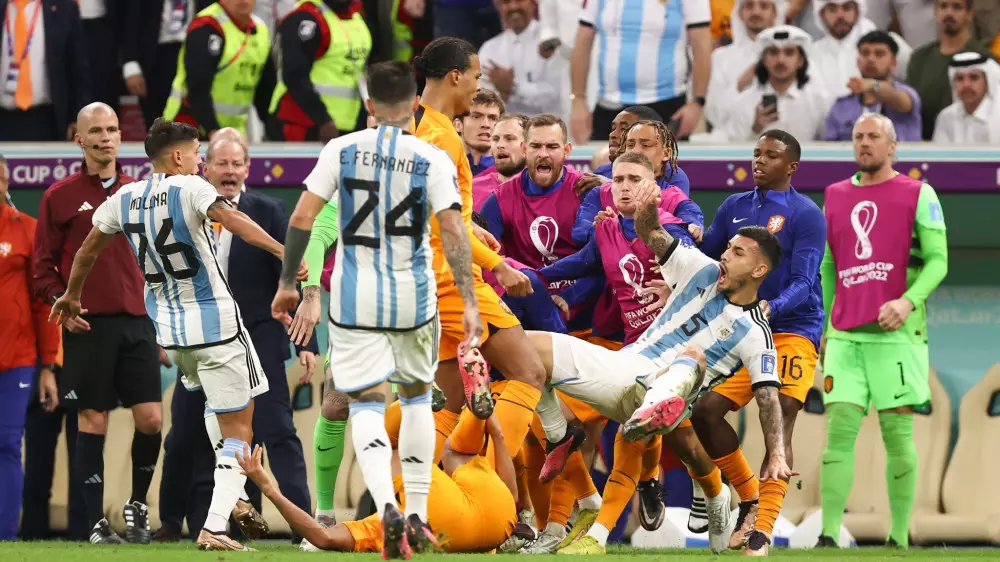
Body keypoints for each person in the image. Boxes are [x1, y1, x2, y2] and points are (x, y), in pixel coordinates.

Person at [526, 156, 794, 555]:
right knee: (525, 347)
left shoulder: (757, 332)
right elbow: (652, 234)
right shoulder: (700, 269)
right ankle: (559, 434)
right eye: (728, 248)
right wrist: (647, 208)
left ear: (758, 270)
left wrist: (777, 453)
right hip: (625, 366)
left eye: (738, 253)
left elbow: (769, 398)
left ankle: (603, 531)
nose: (725, 255)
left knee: (690, 361)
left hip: (671, 391)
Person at [271, 60, 483, 558]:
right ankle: (418, 516)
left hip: (354, 299)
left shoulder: (340, 150)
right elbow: (454, 232)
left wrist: (287, 283)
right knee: (415, 399)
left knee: (364, 403)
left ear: (368, 104)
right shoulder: (432, 157)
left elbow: (302, 218)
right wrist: (470, 300)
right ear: (415, 104)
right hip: (414, 297)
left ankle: (386, 505)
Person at [50, 118, 290, 551]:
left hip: (173, 336)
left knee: (216, 408)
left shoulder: (125, 196)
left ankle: (234, 496)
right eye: (197, 154)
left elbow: (86, 251)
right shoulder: (192, 187)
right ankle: (216, 526)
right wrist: (283, 251)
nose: (200, 162)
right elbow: (233, 219)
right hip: (216, 327)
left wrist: (71, 295)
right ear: (178, 156)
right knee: (240, 427)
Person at [409, 37, 549, 472]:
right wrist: (499, 266)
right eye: (475, 76)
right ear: (455, 76)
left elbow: (438, 215)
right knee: (529, 374)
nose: (476, 85)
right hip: (452, 281)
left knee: (448, 403)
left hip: (426, 280)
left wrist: (471, 228)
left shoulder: (417, 127)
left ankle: (422, 495)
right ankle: (485, 477)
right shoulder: (442, 140)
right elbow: (445, 225)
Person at [32, 103, 164, 545]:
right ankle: (94, 524)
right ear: (80, 139)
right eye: (97, 131)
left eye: (112, 129)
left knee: (151, 419)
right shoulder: (59, 196)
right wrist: (62, 303)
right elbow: (42, 269)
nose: (106, 137)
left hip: (140, 323)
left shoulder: (143, 192)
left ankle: (138, 506)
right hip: (88, 326)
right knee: (93, 421)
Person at [817, 113, 948, 549]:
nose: (865, 143)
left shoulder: (919, 193)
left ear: (892, 146)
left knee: (897, 435)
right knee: (838, 433)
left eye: (874, 136)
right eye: (858, 136)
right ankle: (828, 536)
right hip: (845, 336)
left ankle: (899, 537)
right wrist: (826, 324)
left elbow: (939, 261)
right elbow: (829, 265)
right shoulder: (834, 195)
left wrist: (907, 302)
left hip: (898, 337)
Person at [693, 129, 826, 555]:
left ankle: (762, 532)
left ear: (792, 167)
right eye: (756, 153)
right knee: (704, 412)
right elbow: (708, 260)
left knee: (780, 420)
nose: (760, 160)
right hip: (742, 327)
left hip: (793, 329)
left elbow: (806, 280)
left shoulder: (807, 214)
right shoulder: (734, 206)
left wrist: (772, 307)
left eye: (771, 155)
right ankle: (749, 498)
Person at [236, 407, 518, 553]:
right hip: (498, 513)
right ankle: (470, 413)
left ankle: (469, 414)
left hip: (489, 522)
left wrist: (268, 489)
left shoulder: (378, 529)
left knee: (424, 451)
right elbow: (511, 497)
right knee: (448, 451)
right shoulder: (439, 489)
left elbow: (323, 536)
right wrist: (498, 435)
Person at [0, 155, 60, 541]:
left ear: (6, 182)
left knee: (7, 443)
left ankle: (5, 536)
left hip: (16, 359)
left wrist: (48, 365)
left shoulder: (27, 229)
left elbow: (43, 304)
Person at [568, 0, 713, 142]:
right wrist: (578, 101)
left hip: (667, 107)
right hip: (609, 106)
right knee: (605, 158)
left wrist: (697, 103)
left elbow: (702, 45)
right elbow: (582, 43)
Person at [576, 120, 702, 247]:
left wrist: (618, 227)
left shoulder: (675, 197)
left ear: (666, 153)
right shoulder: (600, 193)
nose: (635, 151)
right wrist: (601, 228)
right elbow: (580, 232)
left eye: (645, 145)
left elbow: (689, 229)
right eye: (630, 145)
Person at [162, 0, 274, 138]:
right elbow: (197, 87)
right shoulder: (206, 26)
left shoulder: (261, 30)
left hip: (232, 132)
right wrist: (213, 131)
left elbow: (266, 91)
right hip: (188, 128)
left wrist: (275, 133)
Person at [268, 0, 373, 142]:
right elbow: (294, 75)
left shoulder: (357, 19)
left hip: (345, 125)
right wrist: (323, 120)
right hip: (303, 123)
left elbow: (360, 74)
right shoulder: (306, 18)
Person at [715, 25, 832, 142]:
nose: (780, 60)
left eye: (789, 52)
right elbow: (733, 147)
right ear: (764, 60)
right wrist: (756, 128)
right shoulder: (745, 101)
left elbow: (830, 145)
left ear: (800, 61)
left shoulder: (818, 101)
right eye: (773, 52)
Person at [0, 0, 90, 141]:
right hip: (3, 118)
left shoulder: (64, 8)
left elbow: (78, 68)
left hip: (46, 120)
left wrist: (78, 116)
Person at [906, 0, 995, 140]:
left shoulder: (983, 58)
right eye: (943, 6)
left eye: (956, 7)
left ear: (969, 14)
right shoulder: (919, 58)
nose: (949, 13)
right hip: (921, 143)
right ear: (935, 12)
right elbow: (910, 106)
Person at [823, 30, 922, 142]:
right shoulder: (841, 106)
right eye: (865, 53)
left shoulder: (905, 94)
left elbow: (900, 101)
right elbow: (830, 148)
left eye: (879, 54)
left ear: (893, 62)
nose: (871, 59)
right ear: (857, 61)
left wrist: (872, 85)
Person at [122, 0, 207, 129]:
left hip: (198, 53)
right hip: (155, 57)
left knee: (198, 123)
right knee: (157, 127)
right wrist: (130, 63)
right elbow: (130, 20)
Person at [478, 0, 565, 118]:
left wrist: (514, 88)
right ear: (498, 7)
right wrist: (501, 95)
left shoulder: (551, 41)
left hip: (547, 125)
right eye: (506, 2)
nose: (513, 6)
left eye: (519, 0)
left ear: (533, 3)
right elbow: (482, 101)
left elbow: (556, 94)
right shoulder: (489, 49)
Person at [705, 0, 781, 129]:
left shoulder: (791, 57)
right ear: (740, 13)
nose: (756, 12)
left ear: (774, 14)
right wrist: (739, 85)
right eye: (749, 6)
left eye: (764, 6)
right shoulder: (721, 58)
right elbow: (713, 115)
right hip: (733, 140)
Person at [589, 107, 690, 196]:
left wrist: (609, 186)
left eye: (624, 129)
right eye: (613, 128)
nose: (613, 135)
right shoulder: (602, 172)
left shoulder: (673, 176)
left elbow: (662, 208)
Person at [932, 51, 1000, 142]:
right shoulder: (946, 117)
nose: (966, 85)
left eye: (974, 77)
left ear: (987, 82)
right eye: (960, 78)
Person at [472, 112, 528, 212]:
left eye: (509, 139)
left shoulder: (547, 191)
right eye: (495, 139)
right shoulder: (471, 189)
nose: (500, 145)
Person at [454, 89, 503, 177]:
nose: (486, 125)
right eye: (476, 117)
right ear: (458, 125)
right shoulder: (440, 166)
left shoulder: (508, 175)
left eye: (493, 118)